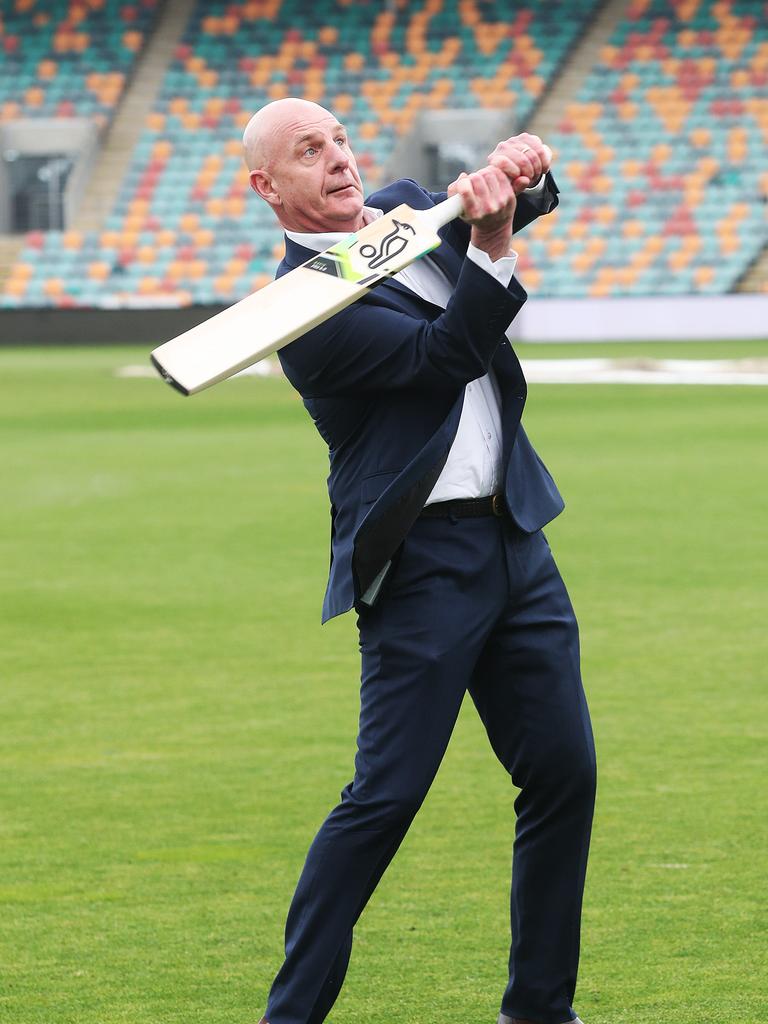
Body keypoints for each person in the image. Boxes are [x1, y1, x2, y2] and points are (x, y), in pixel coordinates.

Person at [242, 97, 596, 1024]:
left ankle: (540, 1011)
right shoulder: (303, 311)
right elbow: (446, 355)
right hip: (422, 566)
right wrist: (489, 243)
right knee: (385, 799)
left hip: (517, 535)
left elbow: (519, 204)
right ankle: (292, 1016)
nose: (337, 159)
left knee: (565, 775)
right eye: (308, 151)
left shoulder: (406, 211)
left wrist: (522, 172)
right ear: (267, 187)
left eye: (339, 139)